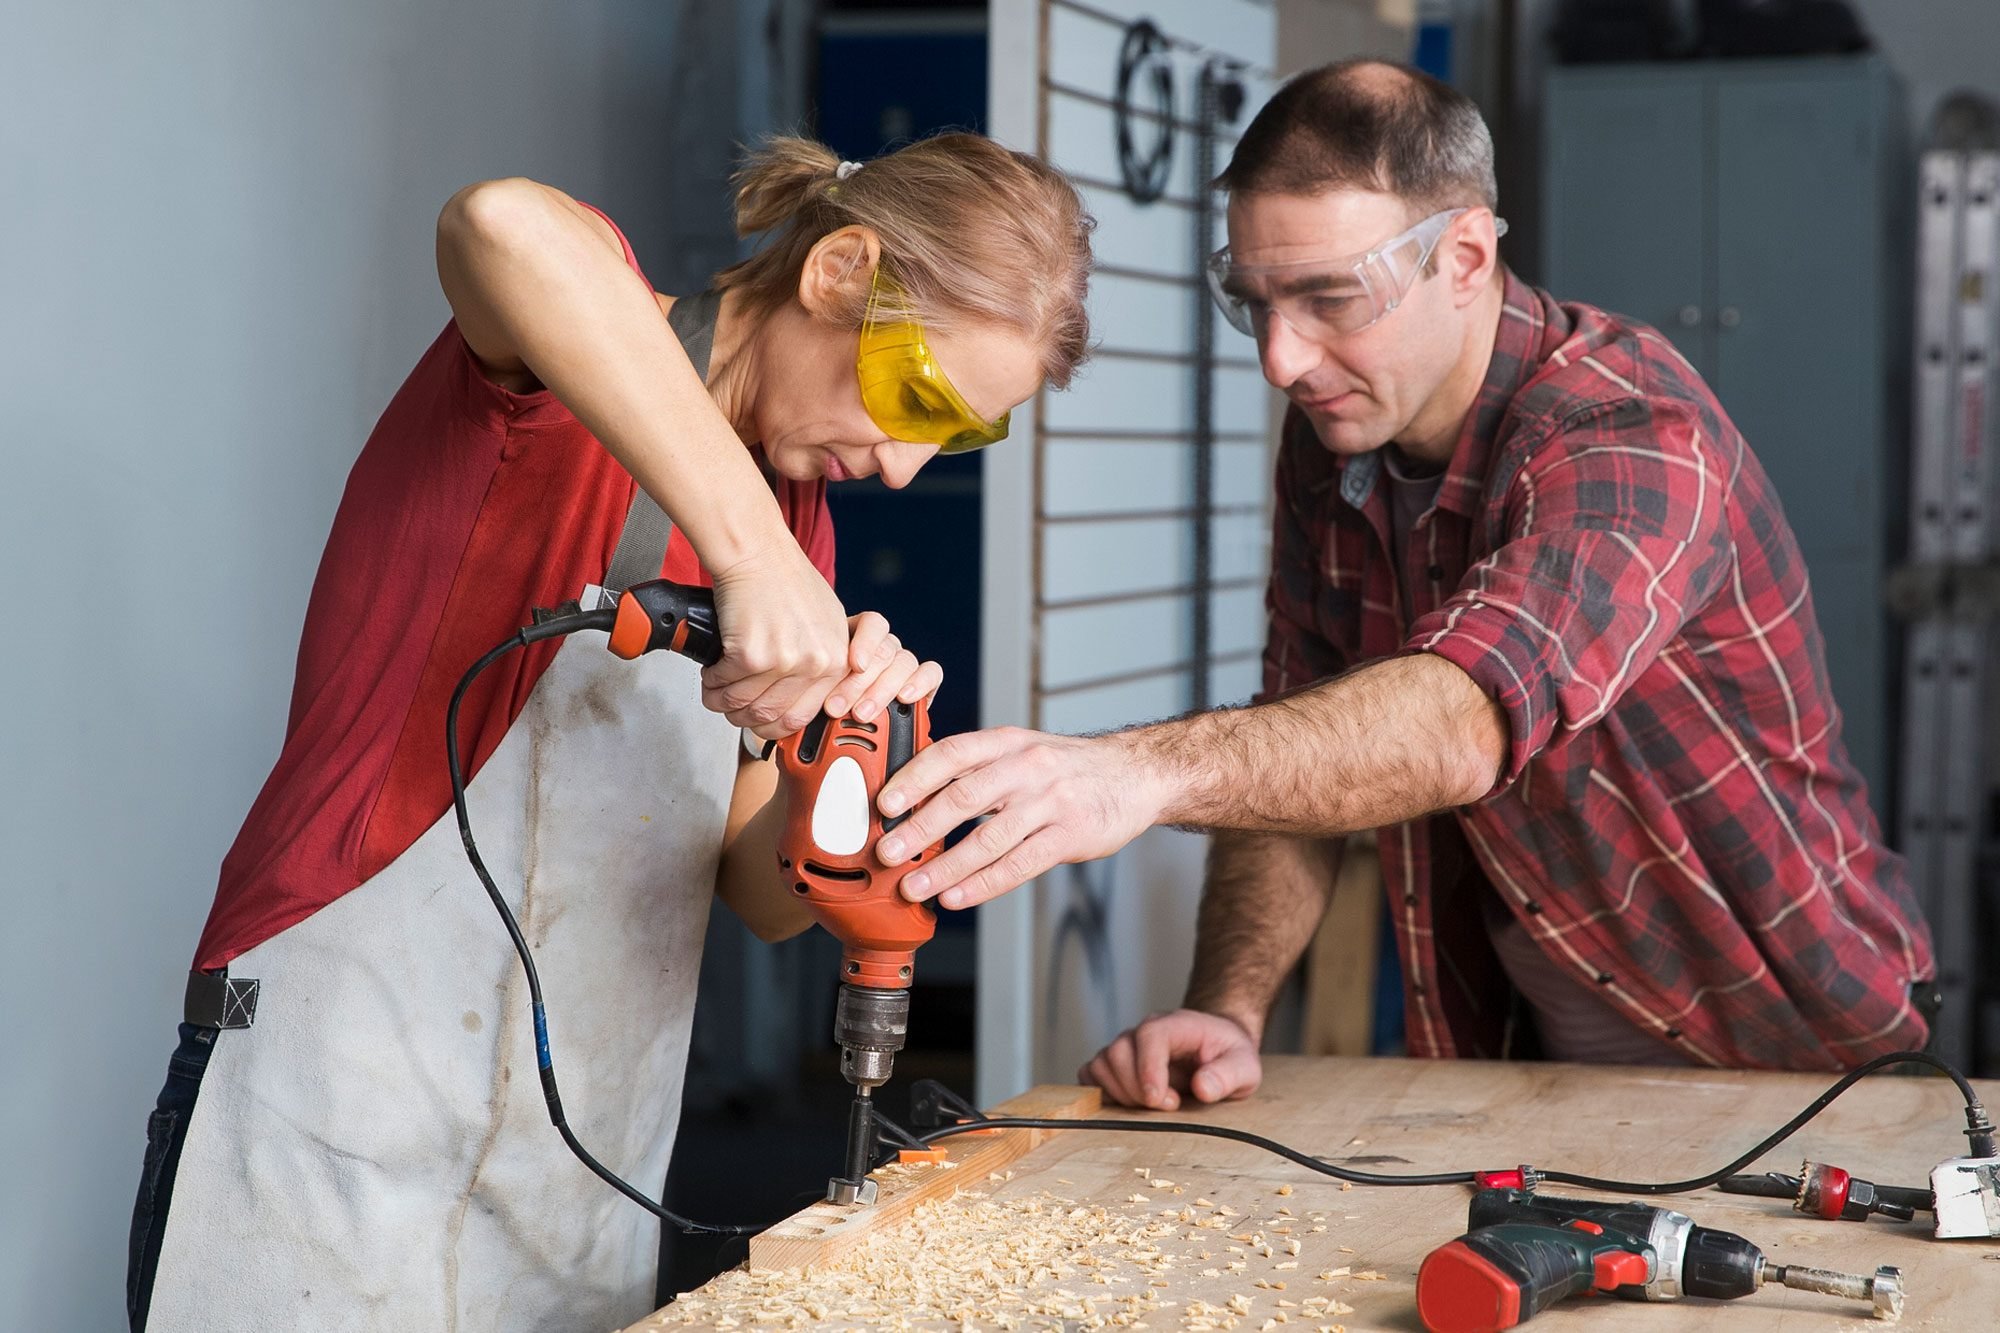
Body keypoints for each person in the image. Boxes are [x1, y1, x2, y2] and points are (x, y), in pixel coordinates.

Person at [126, 133, 1093, 1331]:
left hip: (579, 1164)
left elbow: (757, 889)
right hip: (337, 1115)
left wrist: (832, 777)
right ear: (840, 271)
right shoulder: (559, 373)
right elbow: (500, 225)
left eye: (956, 437)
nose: (902, 468)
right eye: (917, 397)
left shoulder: (803, 545)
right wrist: (749, 558)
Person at [873, 60, 1936, 1107]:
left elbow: (1462, 717)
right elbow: (1291, 753)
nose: (1282, 361)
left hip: (1790, 1049)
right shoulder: (1336, 436)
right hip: (1533, 1051)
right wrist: (1228, 1009)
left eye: (1330, 297)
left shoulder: (1627, 432)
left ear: (1463, 257)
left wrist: (1133, 774)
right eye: (1255, 303)